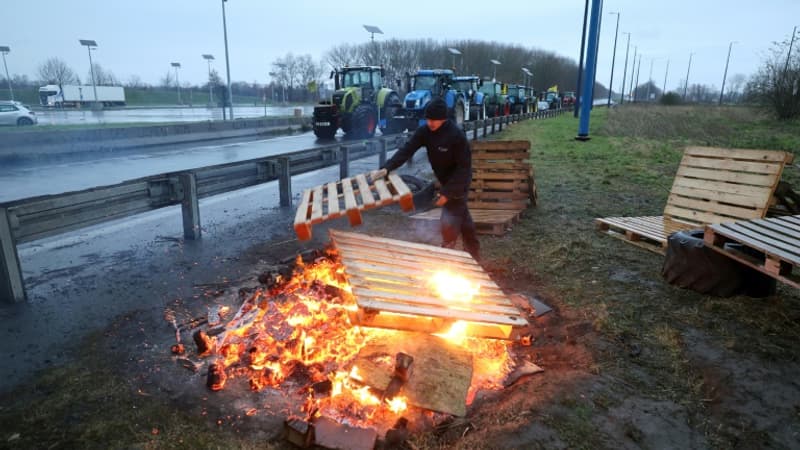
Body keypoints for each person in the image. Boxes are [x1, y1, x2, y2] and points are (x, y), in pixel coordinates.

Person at [371, 97, 480, 260]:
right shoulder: (425, 132)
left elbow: (464, 169)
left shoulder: (456, 136)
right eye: (428, 119)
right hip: (444, 179)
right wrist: (387, 168)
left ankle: (448, 253)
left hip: (458, 181)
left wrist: (447, 193)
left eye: (434, 120)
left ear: (443, 119)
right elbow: (407, 150)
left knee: (451, 217)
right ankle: (473, 255)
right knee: (464, 219)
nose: (430, 123)